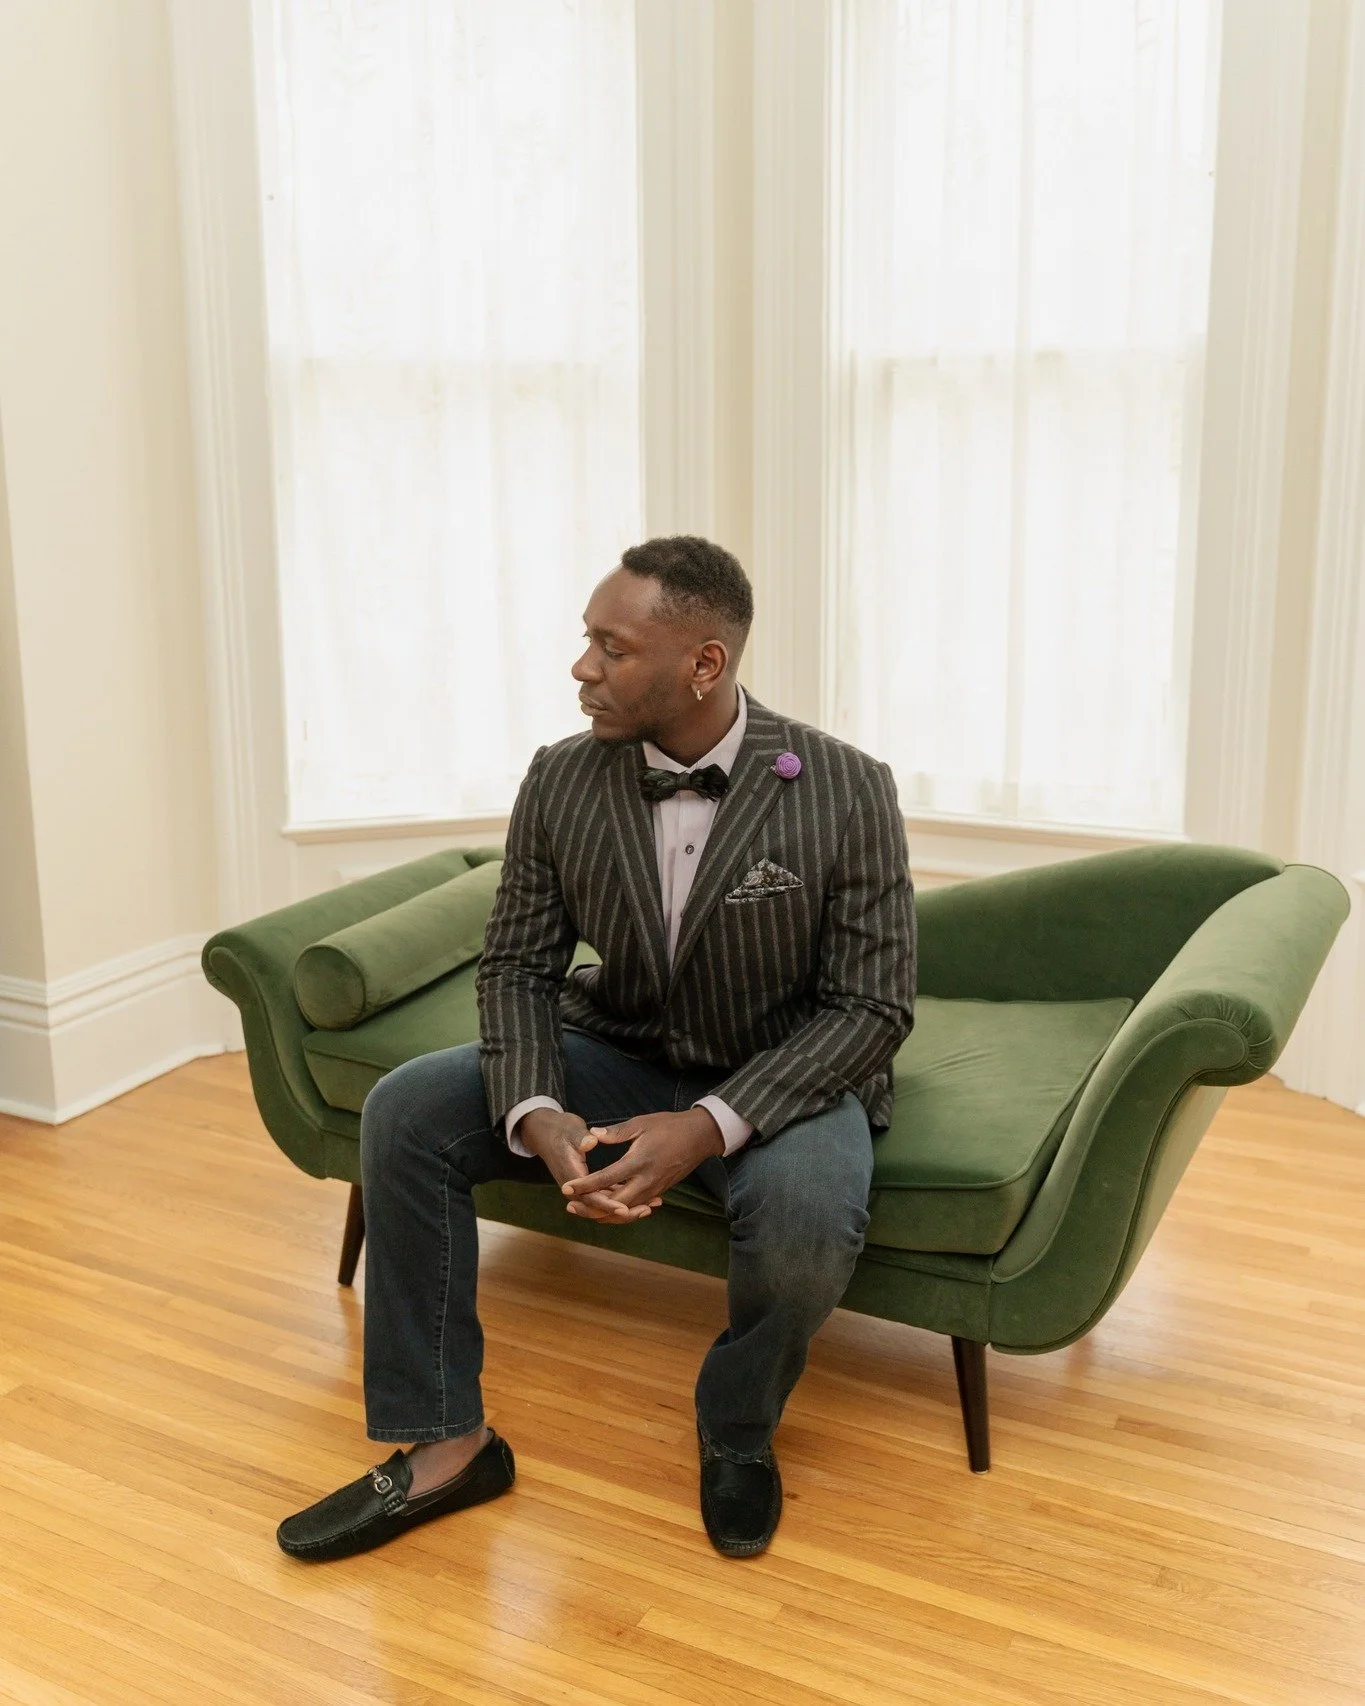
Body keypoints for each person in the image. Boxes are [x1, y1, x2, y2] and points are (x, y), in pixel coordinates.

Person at [277, 535, 916, 1563]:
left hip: (780, 1070)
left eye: (611, 648)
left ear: (704, 662)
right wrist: (535, 1107)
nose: (582, 668)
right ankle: (448, 1441)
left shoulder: (845, 786)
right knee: (405, 1110)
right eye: (587, 640)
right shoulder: (562, 777)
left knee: (807, 1214)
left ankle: (737, 1424)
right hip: (614, 1044)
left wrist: (707, 1127)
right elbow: (517, 965)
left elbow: (871, 1008)